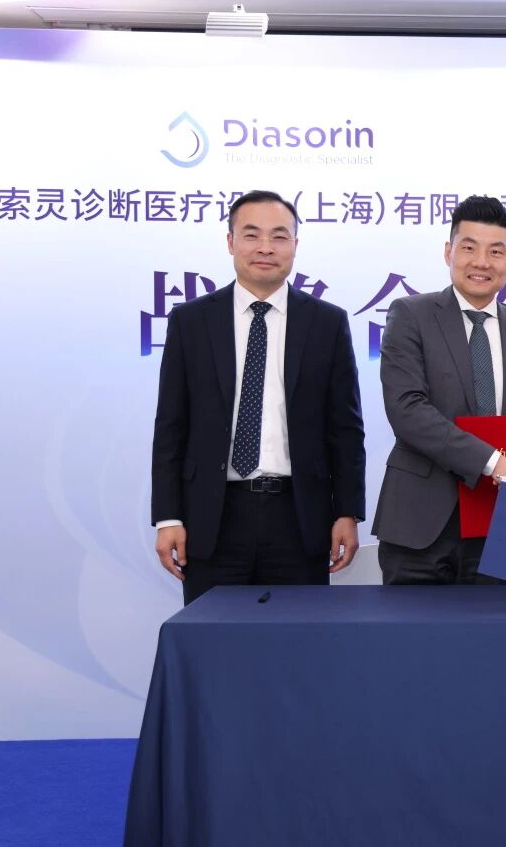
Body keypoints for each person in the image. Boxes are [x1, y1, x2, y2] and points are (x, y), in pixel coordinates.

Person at [151, 190, 366, 604]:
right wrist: (168, 517)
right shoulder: (191, 321)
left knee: (297, 637)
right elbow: (171, 427)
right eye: (252, 235)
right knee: (215, 636)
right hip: (212, 517)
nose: (266, 247)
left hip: (300, 517)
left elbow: (345, 428)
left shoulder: (327, 323)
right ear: (231, 242)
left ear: (295, 245)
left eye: (279, 236)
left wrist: (347, 511)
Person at [372, 195, 506, 584]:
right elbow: (407, 410)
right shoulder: (410, 315)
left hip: (502, 522)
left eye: (496, 251)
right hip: (419, 522)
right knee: (410, 625)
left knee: (498, 625)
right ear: (449, 252)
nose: (481, 262)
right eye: (469, 248)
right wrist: (493, 462)